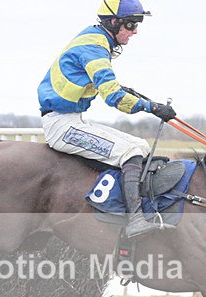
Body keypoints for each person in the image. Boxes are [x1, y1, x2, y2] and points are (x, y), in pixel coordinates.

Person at [37, 0, 176, 238]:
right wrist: (151, 107)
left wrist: (127, 91)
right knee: (129, 151)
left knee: (141, 147)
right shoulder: (94, 47)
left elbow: (104, 85)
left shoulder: (96, 39)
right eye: (132, 24)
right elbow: (113, 98)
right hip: (62, 125)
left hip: (72, 119)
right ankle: (134, 220)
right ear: (113, 22)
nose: (135, 31)